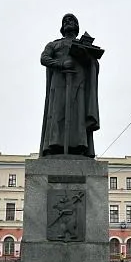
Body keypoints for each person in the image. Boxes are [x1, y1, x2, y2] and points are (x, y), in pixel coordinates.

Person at [39, 13, 101, 157]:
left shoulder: (82, 44)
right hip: (60, 82)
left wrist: (86, 56)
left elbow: (92, 63)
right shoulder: (54, 44)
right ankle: (54, 145)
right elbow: (44, 58)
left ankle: (80, 146)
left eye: (71, 20)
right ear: (62, 27)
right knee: (57, 112)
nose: (68, 22)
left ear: (77, 26)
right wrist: (60, 63)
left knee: (78, 113)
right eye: (65, 20)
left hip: (79, 83)